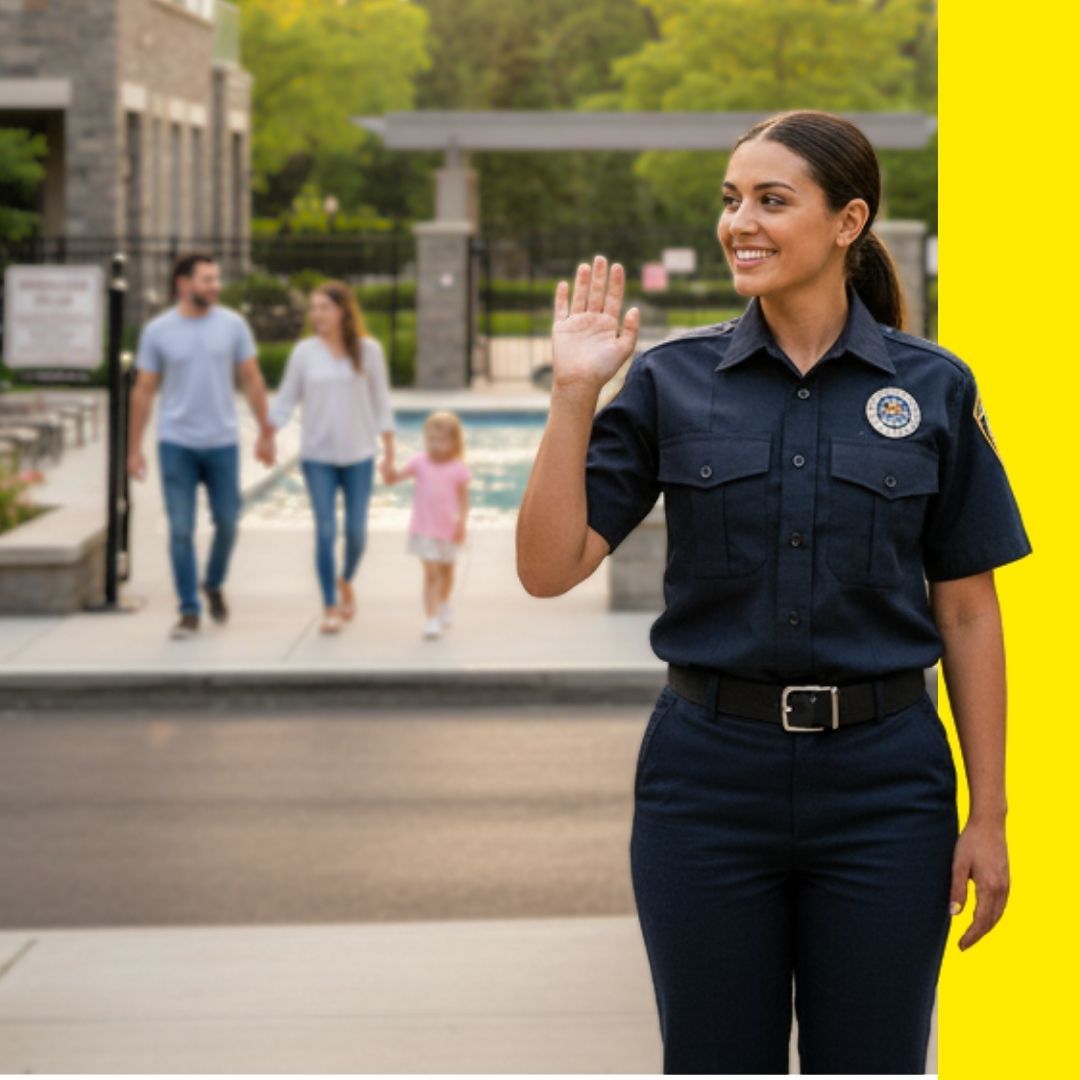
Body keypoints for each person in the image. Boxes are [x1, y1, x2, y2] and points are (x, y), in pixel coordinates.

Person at [516, 109, 1032, 1074]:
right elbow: (549, 568)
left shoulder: (933, 389)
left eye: (770, 199)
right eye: (730, 199)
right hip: (706, 784)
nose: (739, 221)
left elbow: (966, 608)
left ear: (847, 222)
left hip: (887, 787)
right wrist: (573, 395)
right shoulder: (672, 379)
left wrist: (989, 814)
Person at [128, 252, 273, 640]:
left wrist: (266, 430)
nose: (215, 286)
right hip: (176, 442)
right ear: (183, 284)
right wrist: (133, 448)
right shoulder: (158, 331)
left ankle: (212, 582)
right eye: (207, 280)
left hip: (222, 441)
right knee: (180, 529)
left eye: (215, 279)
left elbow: (252, 378)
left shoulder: (233, 325)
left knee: (228, 523)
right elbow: (143, 391)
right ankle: (189, 610)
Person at [260, 282, 396, 635]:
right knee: (324, 531)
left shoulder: (369, 352)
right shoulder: (305, 353)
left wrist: (389, 454)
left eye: (323, 307)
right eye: (313, 308)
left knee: (355, 533)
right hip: (317, 455)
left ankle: (345, 579)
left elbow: (382, 405)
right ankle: (330, 606)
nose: (316, 314)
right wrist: (267, 433)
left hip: (359, 455)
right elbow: (286, 399)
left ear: (342, 312)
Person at [382, 411, 471, 639]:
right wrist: (388, 470)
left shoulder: (458, 468)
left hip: (448, 529)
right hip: (423, 529)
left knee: (447, 571)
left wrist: (462, 522)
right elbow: (394, 480)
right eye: (431, 439)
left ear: (454, 441)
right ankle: (431, 618)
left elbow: (463, 499)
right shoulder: (418, 462)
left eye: (441, 440)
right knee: (431, 573)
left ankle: (444, 601)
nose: (436, 445)